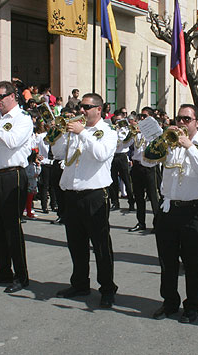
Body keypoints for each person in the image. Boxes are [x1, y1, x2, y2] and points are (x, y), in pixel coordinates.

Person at [51, 93, 118, 308]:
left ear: (99, 109)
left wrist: (83, 134)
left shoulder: (108, 132)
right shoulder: (75, 129)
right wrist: (60, 133)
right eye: (81, 106)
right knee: (76, 244)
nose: (82, 110)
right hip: (72, 193)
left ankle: (107, 288)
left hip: (95, 195)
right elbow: (58, 153)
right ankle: (80, 283)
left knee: (100, 246)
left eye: (87, 107)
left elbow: (101, 154)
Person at [152, 104, 198, 324]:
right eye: (179, 118)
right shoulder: (169, 141)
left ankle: (193, 305)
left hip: (193, 211)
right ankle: (169, 302)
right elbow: (146, 160)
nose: (181, 123)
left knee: (194, 263)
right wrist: (156, 142)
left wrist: (189, 146)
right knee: (167, 261)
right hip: (168, 209)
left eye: (187, 119)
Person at [0, 81, 33, 294]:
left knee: (12, 227)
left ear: (13, 96)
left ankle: (21, 275)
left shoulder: (22, 119)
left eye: (1, 96)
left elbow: (12, 141)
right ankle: (3, 270)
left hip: (13, 175)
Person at [129, 107, 161, 232]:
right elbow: (126, 144)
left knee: (153, 196)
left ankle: (157, 223)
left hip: (149, 166)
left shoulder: (155, 131)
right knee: (138, 196)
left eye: (144, 116)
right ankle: (140, 222)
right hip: (137, 165)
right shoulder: (136, 131)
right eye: (140, 116)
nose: (141, 118)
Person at [108, 111, 135, 211]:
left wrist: (120, 134)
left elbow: (128, 143)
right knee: (113, 181)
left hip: (122, 156)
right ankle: (115, 202)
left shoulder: (125, 130)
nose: (118, 122)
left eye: (120, 120)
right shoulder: (111, 130)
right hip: (113, 156)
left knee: (127, 180)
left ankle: (131, 202)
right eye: (116, 120)